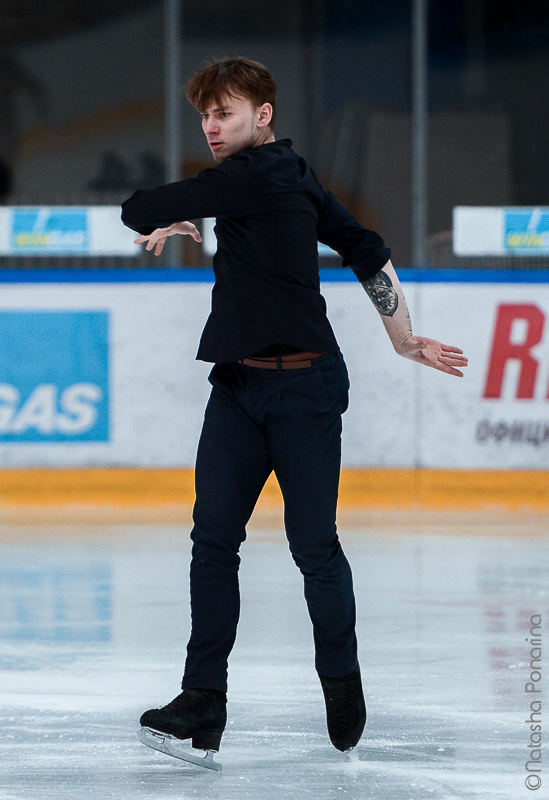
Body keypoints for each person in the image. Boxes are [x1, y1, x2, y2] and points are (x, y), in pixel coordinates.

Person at [121, 57, 468, 761]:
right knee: (213, 537)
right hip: (239, 391)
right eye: (205, 117)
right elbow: (367, 250)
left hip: (304, 391)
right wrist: (402, 339)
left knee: (314, 546)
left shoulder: (255, 176)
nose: (212, 127)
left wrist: (182, 208)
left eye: (225, 113)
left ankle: (340, 679)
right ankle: (203, 701)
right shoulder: (293, 174)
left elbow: (137, 210)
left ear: (263, 113)